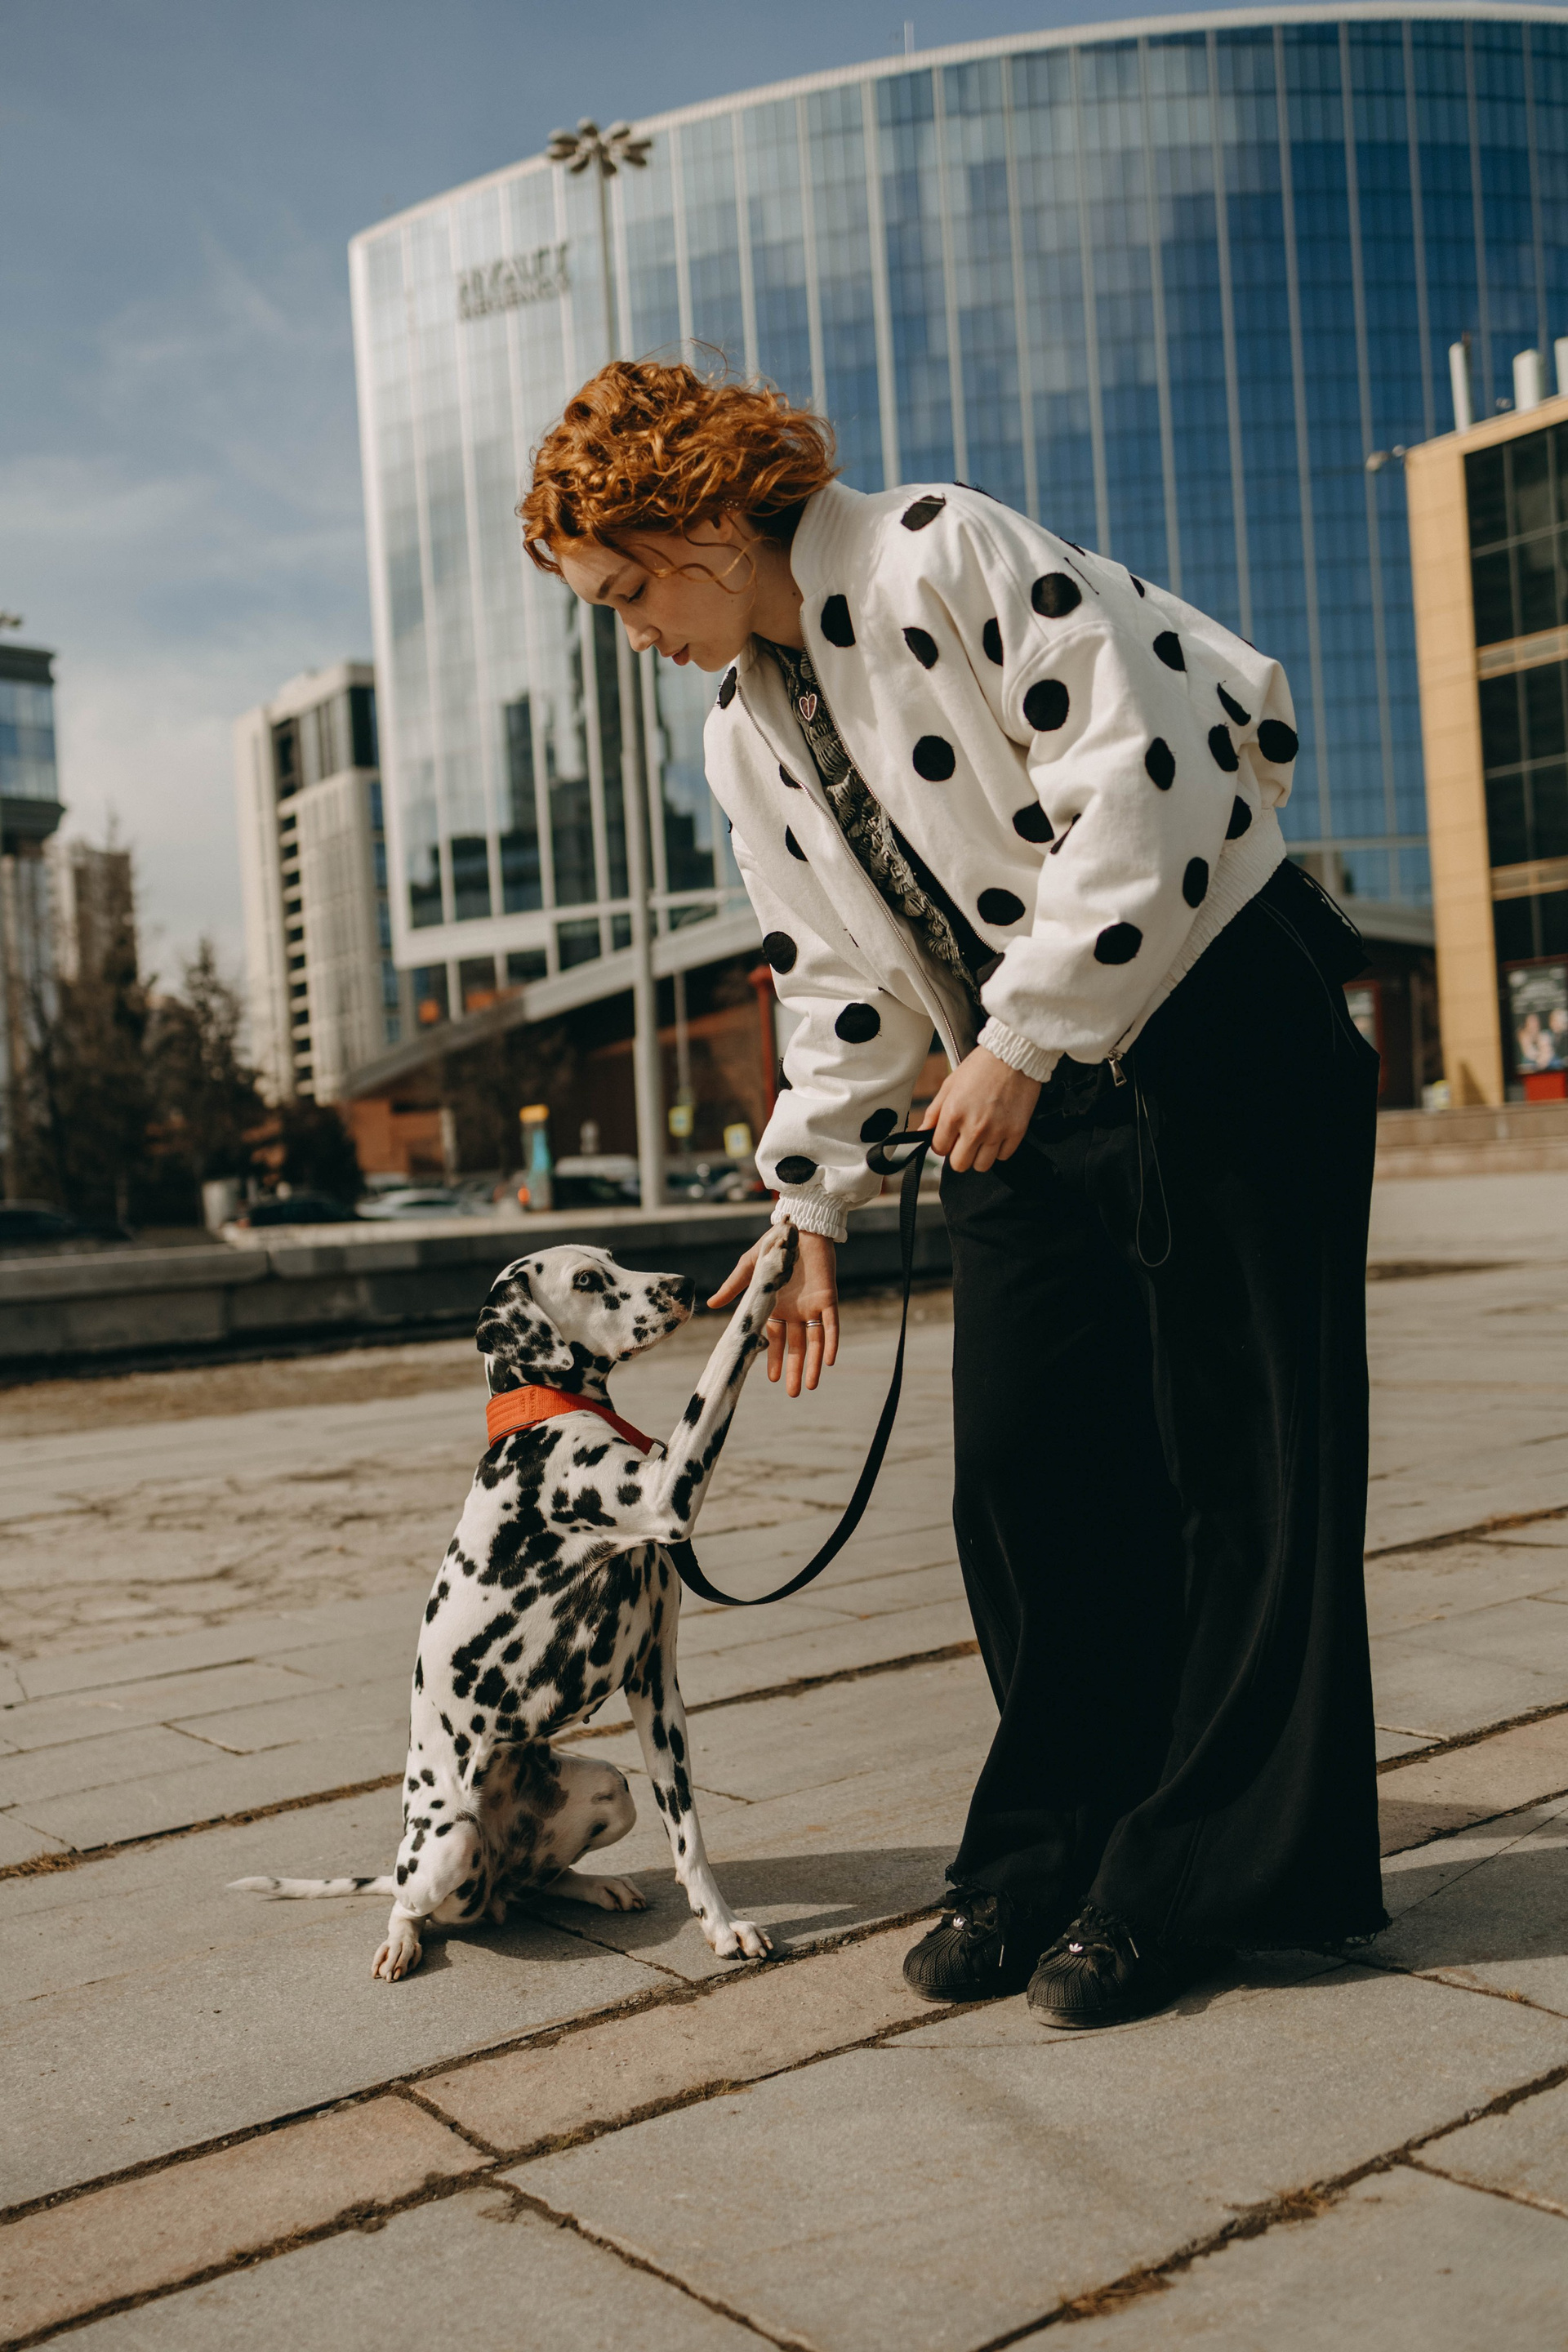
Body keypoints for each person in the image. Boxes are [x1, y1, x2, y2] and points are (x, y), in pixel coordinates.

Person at [521, 360, 1386, 2029]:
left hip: (1215, 1014)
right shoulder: (741, 730)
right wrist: (812, 1205)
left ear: (707, 524)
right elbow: (832, 974)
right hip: (1023, 1065)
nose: (630, 635)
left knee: (1248, 1467)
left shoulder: (939, 549)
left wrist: (1025, 1034)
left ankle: (1199, 1879)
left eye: (627, 592)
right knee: (1025, 1467)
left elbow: (1149, 777)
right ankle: (1057, 1844)